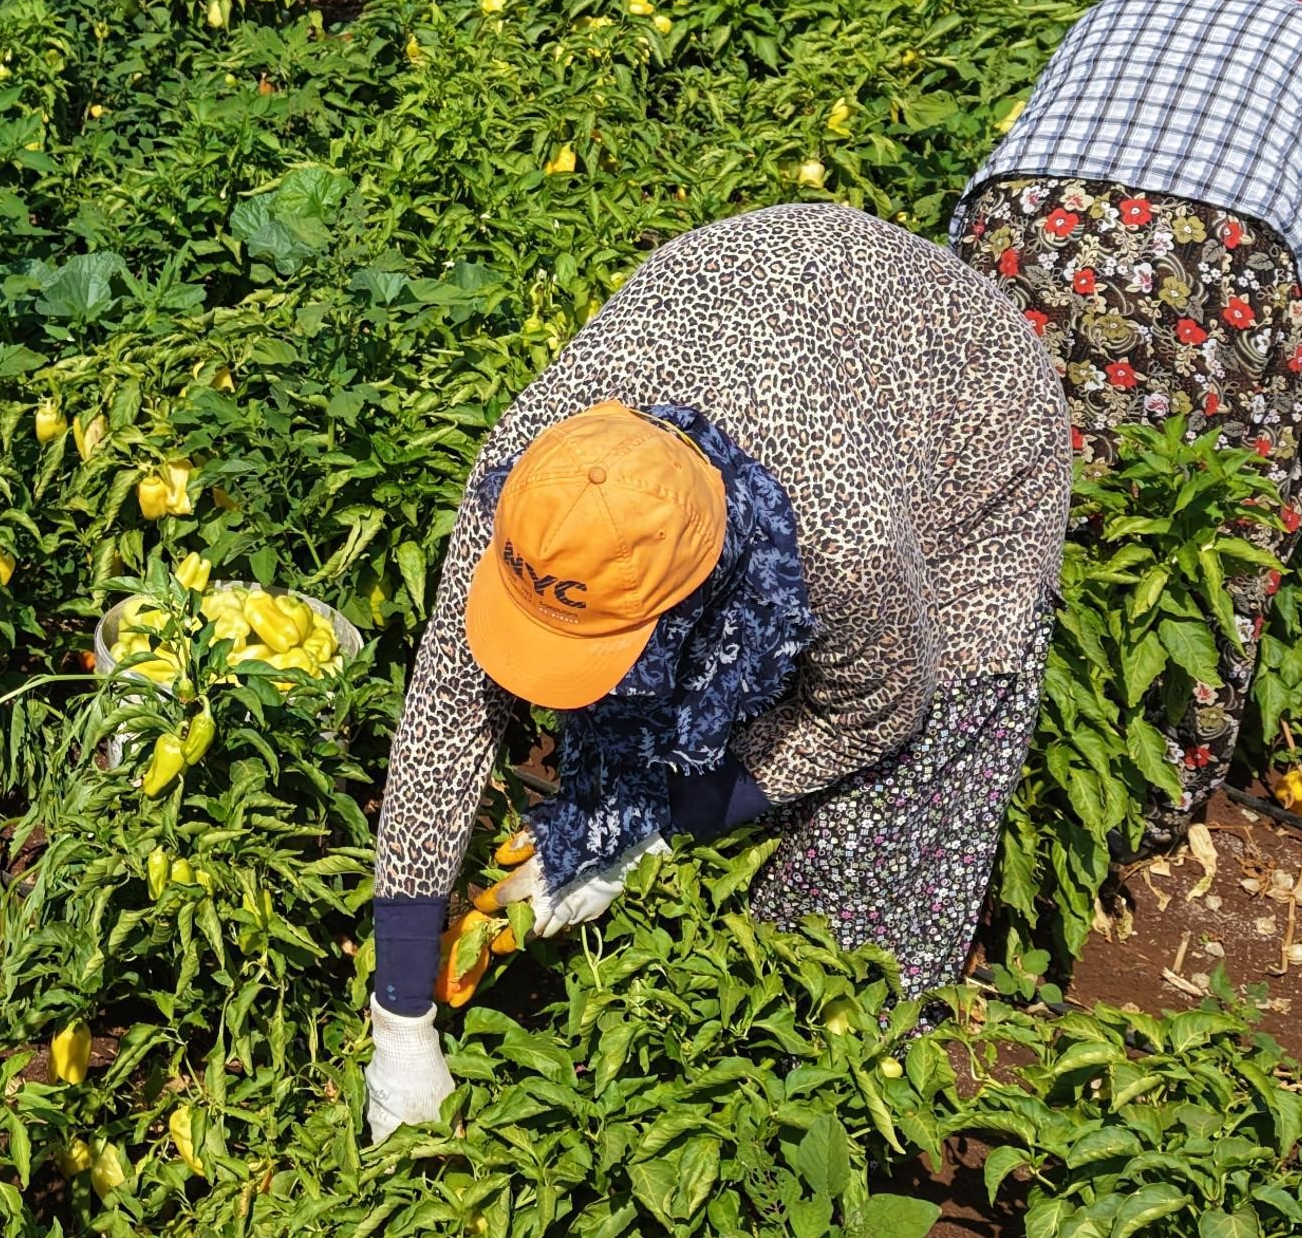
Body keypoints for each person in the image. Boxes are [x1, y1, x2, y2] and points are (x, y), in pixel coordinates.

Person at [359, 203, 1068, 1143]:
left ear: (694, 588)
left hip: (967, 409)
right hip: (776, 299)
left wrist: (661, 826)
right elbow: (448, 712)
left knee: (878, 831)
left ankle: (832, 1112)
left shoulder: (842, 543)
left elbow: (875, 712)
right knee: (627, 711)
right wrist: (399, 1016)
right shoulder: (540, 476)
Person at [947, 0, 1302, 823]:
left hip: (1030, 218)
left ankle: (943, 742)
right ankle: (1148, 795)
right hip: (1216, 254)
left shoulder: (1119, 4)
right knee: (1222, 514)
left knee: (989, 479)